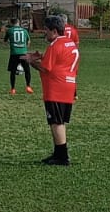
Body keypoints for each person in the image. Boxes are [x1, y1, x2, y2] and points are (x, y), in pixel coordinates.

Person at [26, 14, 79, 164]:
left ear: (54, 31)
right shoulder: (69, 42)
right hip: (68, 85)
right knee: (59, 121)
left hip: (56, 88)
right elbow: (60, 61)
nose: (45, 33)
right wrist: (42, 56)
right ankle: (58, 154)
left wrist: (31, 61)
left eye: (47, 30)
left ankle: (62, 156)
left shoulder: (55, 45)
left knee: (56, 121)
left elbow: (45, 68)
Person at [6, 17, 34, 94]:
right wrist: (25, 48)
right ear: (18, 22)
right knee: (27, 70)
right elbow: (28, 41)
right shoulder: (24, 30)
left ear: (11, 23)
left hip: (14, 53)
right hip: (23, 53)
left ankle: (13, 89)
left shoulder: (10, 30)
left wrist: (11, 44)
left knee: (13, 71)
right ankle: (28, 86)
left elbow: (6, 40)